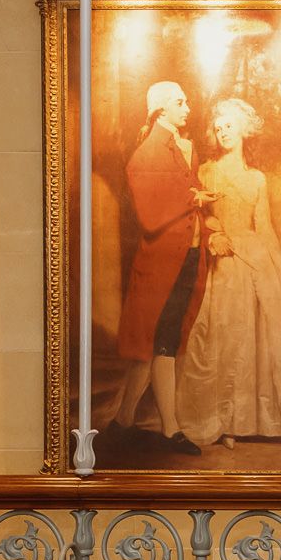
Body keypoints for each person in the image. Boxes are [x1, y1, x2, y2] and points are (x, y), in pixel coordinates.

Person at [175, 97, 281, 452]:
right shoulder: (207, 171)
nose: (223, 132)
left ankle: (262, 421)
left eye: (229, 126)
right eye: (218, 127)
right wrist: (214, 232)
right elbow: (200, 214)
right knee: (226, 337)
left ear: (243, 130)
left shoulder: (257, 179)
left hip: (258, 263)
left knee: (262, 340)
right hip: (225, 261)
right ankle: (225, 421)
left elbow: (264, 228)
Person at [109, 80, 209, 455]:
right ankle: (162, 428)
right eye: (180, 102)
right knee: (155, 344)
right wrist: (193, 197)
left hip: (185, 257)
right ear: (161, 110)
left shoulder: (182, 147)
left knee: (161, 344)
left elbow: (186, 195)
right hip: (160, 265)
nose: (188, 108)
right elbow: (151, 217)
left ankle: (128, 423)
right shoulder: (146, 153)